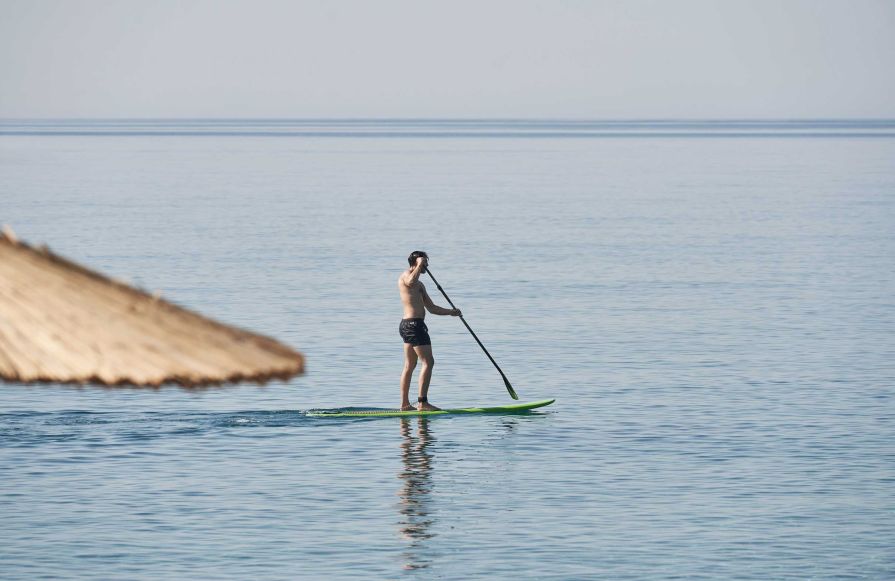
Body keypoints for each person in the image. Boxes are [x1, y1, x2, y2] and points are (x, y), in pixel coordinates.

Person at [398, 251, 460, 411]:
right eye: (425, 262)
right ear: (416, 262)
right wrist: (419, 264)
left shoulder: (420, 285)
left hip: (410, 325)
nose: (427, 266)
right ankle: (422, 403)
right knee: (428, 362)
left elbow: (432, 308)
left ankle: (405, 405)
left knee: (410, 364)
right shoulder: (407, 276)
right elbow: (411, 281)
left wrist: (451, 312)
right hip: (413, 325)